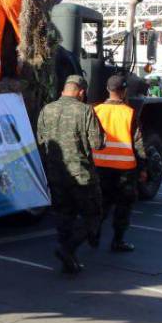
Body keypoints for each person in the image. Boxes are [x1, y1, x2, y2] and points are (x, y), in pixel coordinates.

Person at [35, 75, 105, 274]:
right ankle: (68, 249)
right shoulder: (85, 110)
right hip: (81, 176)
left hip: (56, 175)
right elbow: (97, 144)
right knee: (93, 216)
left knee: (64, 217)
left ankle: (69, 260)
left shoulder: (47, 110)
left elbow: (41, 142)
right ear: (81, 92)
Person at [93, 74, 146, 253]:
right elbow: (138, 143)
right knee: (123, 206)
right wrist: (143, 168)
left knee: (101, 203)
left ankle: (94, 235)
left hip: (99, 167)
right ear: (124, 91)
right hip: (125, 169)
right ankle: (118, 241)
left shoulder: (96, 111)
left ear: (107, 89)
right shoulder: (129, 113)